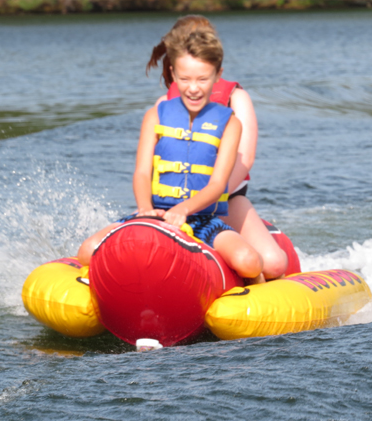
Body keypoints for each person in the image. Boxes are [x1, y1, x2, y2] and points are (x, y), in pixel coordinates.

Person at [78, 28, 263, 281]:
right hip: (155, 214)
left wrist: (184, 209)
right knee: (86, 252)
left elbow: (219, 183)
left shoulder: (230, 123)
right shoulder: (155, 115)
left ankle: (249, 292)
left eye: (202, 79)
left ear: (217, 76)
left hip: (202, 219)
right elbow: (142, 172)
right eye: (185, 79)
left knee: (249, 262)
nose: (193, 88)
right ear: (173, 73)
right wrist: (144, 209)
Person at [147, 15, 288, 280]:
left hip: (226, 200)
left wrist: (208, 199)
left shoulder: (236, 97)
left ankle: (263, 250)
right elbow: (151, 167)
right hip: (171, 204)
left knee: (272, 265)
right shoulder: (163, 106)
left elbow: (245, 159)